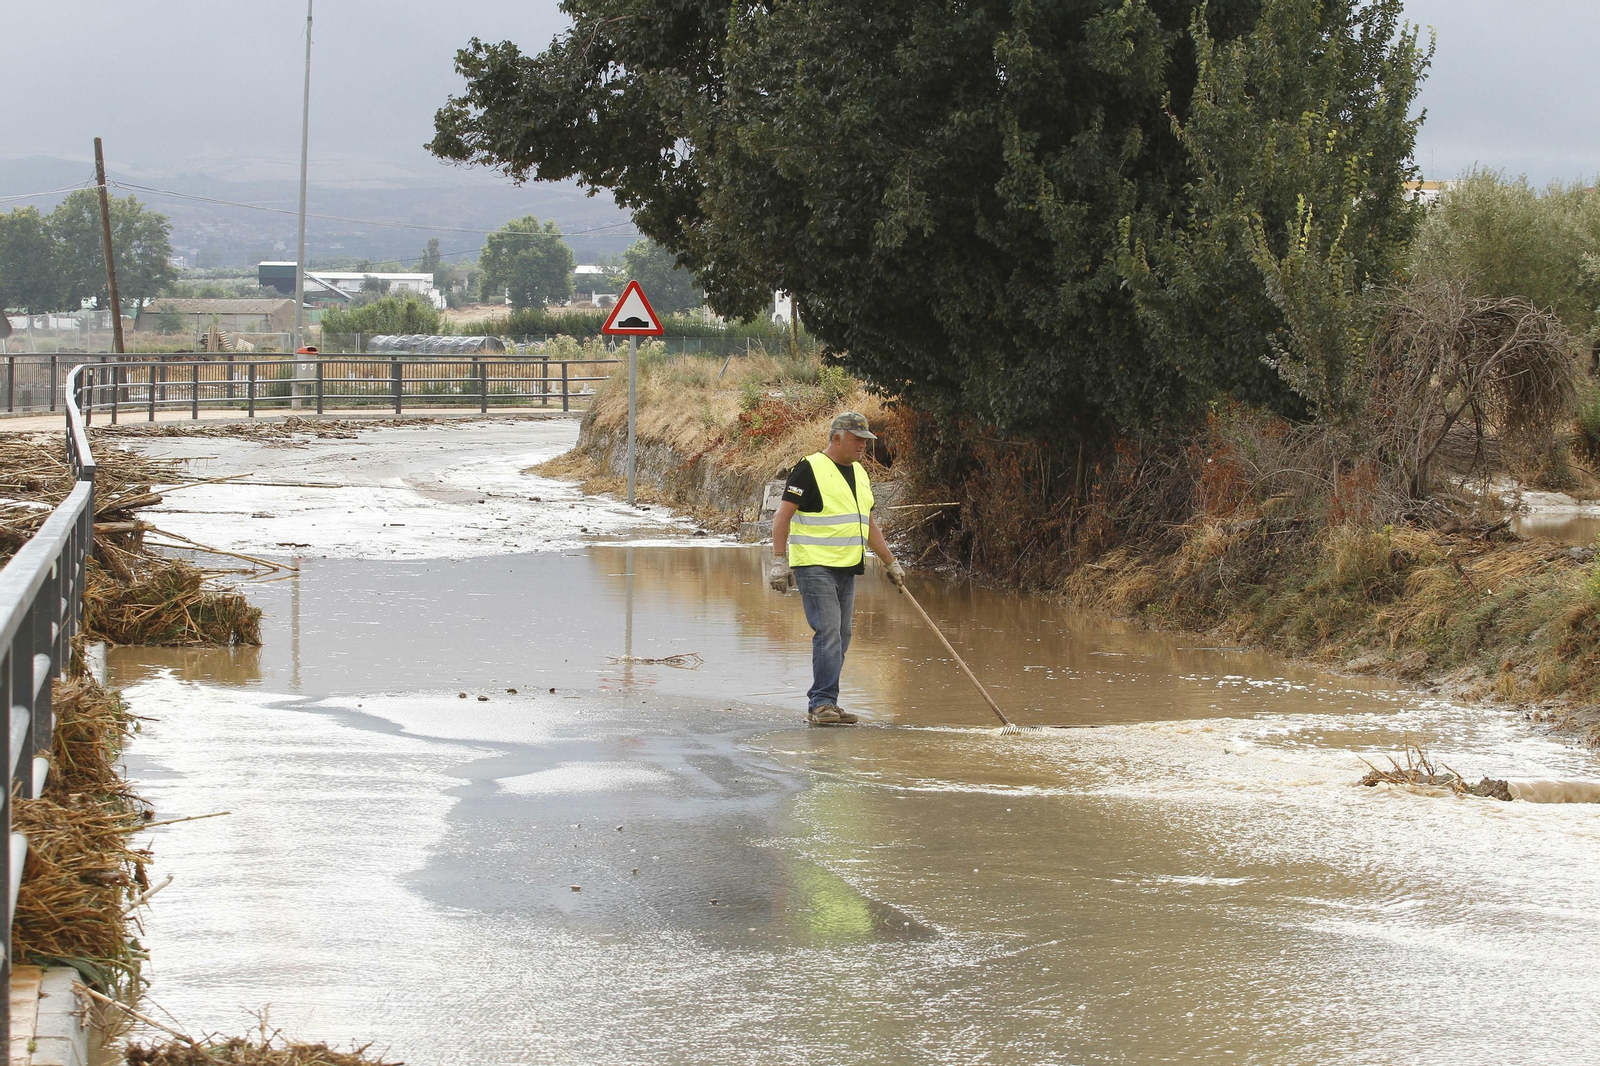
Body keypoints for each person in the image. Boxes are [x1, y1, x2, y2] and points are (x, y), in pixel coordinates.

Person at [769, 411, 906, 725]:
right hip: (814, 565)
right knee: (829, 632)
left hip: (847, 567)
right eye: (857, 440)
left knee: (842, 635)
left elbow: (868, 524)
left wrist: (891, 562)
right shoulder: (809, 469)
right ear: (837, 438)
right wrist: (779, 561)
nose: (863, 446)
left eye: (866, 441)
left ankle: (826, 700)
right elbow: (782, 516)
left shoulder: (859, 473)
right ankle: (822, 704)